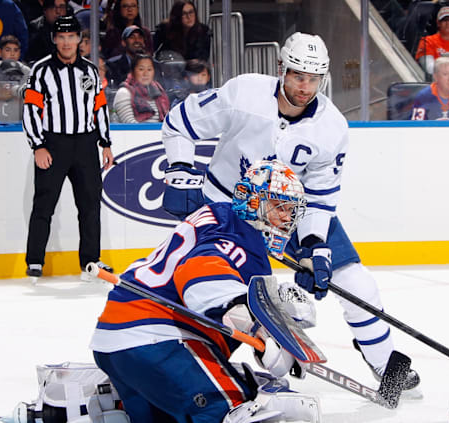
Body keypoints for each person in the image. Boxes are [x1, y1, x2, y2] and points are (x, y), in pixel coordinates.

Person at [160, 32, 421, 391]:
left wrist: (315, 244)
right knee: (212, 290)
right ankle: (185, 358)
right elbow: (179, 124)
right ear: (281, 68)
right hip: (227, 207)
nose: (305, 86)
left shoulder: (332, 128)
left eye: (314, 79)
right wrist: (180, 173)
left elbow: (321, 194)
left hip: (288, 211)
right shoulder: (244, 94)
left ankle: (385, 363)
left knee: (355, 281)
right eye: (299, 76)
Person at [90, 160, 321, 423]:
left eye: (292, 211)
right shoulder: (238, 231)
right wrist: (258, 329)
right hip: (159, 340)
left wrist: (272, 334)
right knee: (236, 411)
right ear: (254, 201)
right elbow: (199, 274)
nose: (287, 218)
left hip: (118, 342)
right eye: (280, 206)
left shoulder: (222, 217)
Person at [22, 15, 114, 280]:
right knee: (44, 204)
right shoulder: (40, 70)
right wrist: (38, 145)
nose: (66, 42)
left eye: (71, 37)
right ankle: (35, 260)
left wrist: (105, 143)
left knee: (90, 205)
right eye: (61, 37)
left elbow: (100, 107)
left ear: (79, 40)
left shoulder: (90, 70)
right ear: (54, 39)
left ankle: (90, 261)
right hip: (54, 143)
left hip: (86, 144)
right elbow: (31, 110)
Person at [112, 54, 170, 123]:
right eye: (141, 69)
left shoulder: (158, 92)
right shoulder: (124, 93)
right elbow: (130, 125)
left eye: (149, 69)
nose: (146, 74)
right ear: (133, 72)